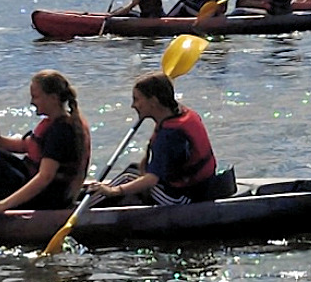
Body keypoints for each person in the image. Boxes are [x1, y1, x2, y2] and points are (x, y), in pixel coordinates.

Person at [0, 70, 90, 213]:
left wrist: (3, 205)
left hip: (46, 200)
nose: (32, 102)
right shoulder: (54, 123)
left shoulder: (61, 131)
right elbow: (26, 145)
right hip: (37, 186)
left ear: (53, 98)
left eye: (36, 97)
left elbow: (45, 177)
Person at [86, 73, 228, 206]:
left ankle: (75, 210)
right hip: (194, 186)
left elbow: (152, 179)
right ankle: (87, 197)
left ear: (153, 101)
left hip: (183, 197)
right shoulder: (175, 113)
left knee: (127, 179)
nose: (133, 105)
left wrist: (114, 191)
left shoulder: (171, 135)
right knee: (134, 169)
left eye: (137, 99)